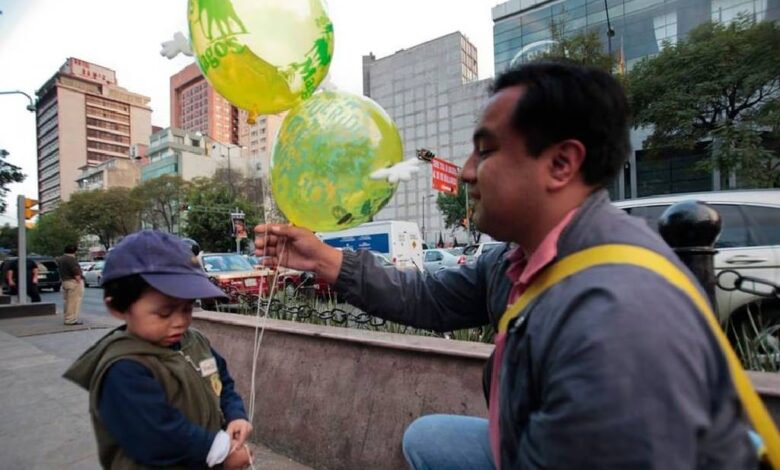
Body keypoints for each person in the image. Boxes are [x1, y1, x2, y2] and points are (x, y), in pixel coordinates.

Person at [255, 61, 755, 468]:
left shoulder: (616, 318)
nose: (467, 173)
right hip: (533, 441)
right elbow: (427, 298)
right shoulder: (515, 260)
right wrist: (323, 259)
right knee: (429, 439)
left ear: (561, 164)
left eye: (486, 151)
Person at [64, 231, 253, 469]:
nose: (179, 322)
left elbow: (223, 382)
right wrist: (222, 452)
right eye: (164, 312)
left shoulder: (195, 342)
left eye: (187, 309)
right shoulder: (123, 368)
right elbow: (156, 436)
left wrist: (235, 415)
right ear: (118, 308)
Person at [57, 244, 85, 325]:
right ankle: (71, 319)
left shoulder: (61, 259)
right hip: (73, 282)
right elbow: (76, 272)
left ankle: (67, 317)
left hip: (65, 281)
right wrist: (79, 281)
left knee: (67, 301)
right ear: (75, 251)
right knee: (74, 302)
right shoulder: (71, 259)